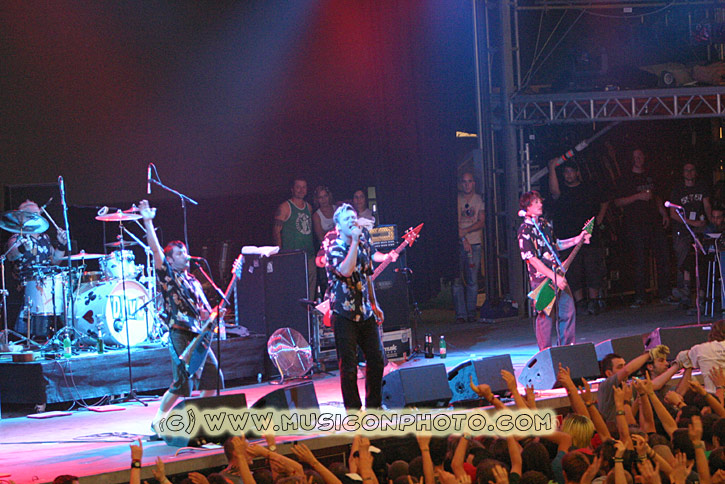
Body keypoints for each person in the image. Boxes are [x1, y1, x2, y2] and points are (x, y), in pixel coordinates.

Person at [139, 200, 222, 432]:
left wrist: (213, 314)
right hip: (180, 333)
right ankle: (158, 422)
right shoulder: (168, 276)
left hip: (199, 334)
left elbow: (204, 310)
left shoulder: (194, 280)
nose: (185, 255)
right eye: (180, 253)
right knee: (182, 382)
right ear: (171, 259)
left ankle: (199, 420)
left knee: (213, 376)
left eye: (185, 251)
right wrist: (148, 221)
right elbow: (156, 251)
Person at [325, 203, 397, 409]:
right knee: (348, 367)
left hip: (365, 312)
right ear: (338, 226)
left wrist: (375, 304)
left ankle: (374, 405)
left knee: (376, 359)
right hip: (344, 314)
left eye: (353, 218)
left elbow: (368, 276)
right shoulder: (334, 248)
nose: (352, 221)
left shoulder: (364, 244)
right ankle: (353, 410)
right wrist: (355, 242)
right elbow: (346, 271)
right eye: (347, 219)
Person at [517, 191, 590, 350]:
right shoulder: (524, 230)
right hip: (542, 279)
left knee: (568, 311)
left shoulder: (544, 225)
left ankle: (566, 348)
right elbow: (532, 260)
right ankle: (545, 352)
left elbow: (555, 245)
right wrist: (553, 277)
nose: (540, 204)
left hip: (558, 273)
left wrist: (577, 239)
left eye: (540, 201)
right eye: (536, 202)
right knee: (545, 316)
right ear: (527, 207)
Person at [548, 159, 608, 315]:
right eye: (566, 172)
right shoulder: (562, 191)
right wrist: (552, 167)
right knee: (573, 270)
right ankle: (580, 302)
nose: (568, 175)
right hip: (568, 237)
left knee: (592, 267)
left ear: (577, 173)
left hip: (589, 236)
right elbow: (554, 192)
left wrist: (599, 218)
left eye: (571, 172)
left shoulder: (588, 188)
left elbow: (605, 200)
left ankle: (593, 301)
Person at [613, 148, 672, 308]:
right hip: (635, 224)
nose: (638, 158)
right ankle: (640, 296)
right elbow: (618, 202)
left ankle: (665, 294)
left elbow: (656, 196)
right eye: (635, 156)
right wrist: (638, 196)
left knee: (663, 257)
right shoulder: (625, 179)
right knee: (640, 260)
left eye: (640, 155)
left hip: (654, 222)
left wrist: (663, 213)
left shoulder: (650, 176)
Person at [6, 200, 67, 341]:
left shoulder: (44, 238)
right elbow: (11, 255)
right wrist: (23, 248)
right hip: (26, 285)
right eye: (34, 214)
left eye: (39, 214)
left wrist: (61, 245)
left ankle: (62, 331)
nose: (39, 217)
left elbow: (55, 261)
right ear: (24, 218)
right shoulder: (17, 237)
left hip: (48, 283)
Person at [669, 162, 712, 308]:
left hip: (699, 229)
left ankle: (702, 294)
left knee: (702, 259)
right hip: (683, 229)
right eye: (686, 170)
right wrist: (691, 222)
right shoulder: (678, 190)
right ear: (683, 173)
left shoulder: (702, 187)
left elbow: (707, 205)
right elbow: (673, 213)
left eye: (692, 170)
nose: (689, 173)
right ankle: (684, 295)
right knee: (683, 260)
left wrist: (711, 222)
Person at [273, 177, 317, 298]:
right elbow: (276, 232)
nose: (301, 190)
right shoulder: (285, 207)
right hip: (292, 257)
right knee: (294, 290)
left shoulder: (309, 207)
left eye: (304, 187)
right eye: (298, 187)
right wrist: (280, 254)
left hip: (309, 255)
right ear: (292, 189)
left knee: (310, 290)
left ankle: (309, 310)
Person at [453, 172, 485, 323]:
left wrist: (466, 231)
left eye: (469, 181)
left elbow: (481, 221)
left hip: (475, 243)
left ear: (474, 183)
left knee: (472, 279)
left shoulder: (478, 199)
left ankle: (471, 313)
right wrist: (463, 238)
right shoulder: (457, 199)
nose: (467, 185)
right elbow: (454, 222)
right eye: (464, 182)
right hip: (458, 243)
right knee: (456, 279)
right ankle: (461, 314)